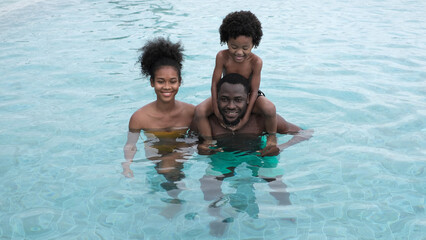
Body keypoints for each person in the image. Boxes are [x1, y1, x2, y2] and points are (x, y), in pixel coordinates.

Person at [193, 73, 312, 236]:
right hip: (224, 155)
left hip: (257, 154)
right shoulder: (209, 122)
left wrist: (281, 146)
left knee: (273, 177)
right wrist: (200, 148)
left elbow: (304, 133)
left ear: (248, 99)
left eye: (238, 100)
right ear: (216, 98)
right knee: (208, 182)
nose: (231, 106)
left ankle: (285, 207)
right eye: (224, 99)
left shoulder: (261, 120)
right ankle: (217, 217)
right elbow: (187, 142)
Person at [122, 37, 196, 217]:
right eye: (161, 81)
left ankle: (176, 199)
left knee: (167, 166)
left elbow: (197, 138)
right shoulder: (139, 117)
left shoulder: (192, 112)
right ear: (152, 82)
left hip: (182, 149)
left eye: (172, 81)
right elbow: (131, 144)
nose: (167, 87)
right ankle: (177, 197)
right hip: (155, 151)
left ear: (180, 82)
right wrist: (127, 163)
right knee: (165, 167)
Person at [194, 10, 278, 148]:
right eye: (234, 47)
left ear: (254, 44)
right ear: (226, 40)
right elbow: (215, 84)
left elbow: (255, 90)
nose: (239, 52)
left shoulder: (256, 62)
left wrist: (245, 119)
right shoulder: (222, 56)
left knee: (270, 109)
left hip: (249, 96)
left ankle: (272, 138)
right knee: (200, 111)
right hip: (226, 95)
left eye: (245, 48)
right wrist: (216, 110)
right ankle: (208, 141)